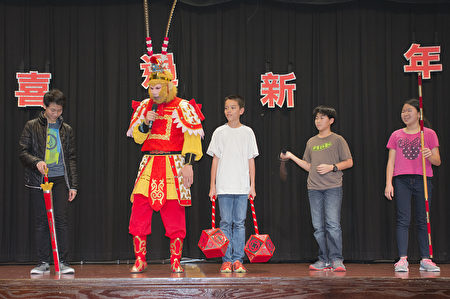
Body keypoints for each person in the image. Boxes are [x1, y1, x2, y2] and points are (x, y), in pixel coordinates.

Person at [126, 56, 204, 273]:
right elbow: (138, 139)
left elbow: (192, 137)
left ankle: (176, 260)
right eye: (151, 88)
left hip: (173, 162)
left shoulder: (183, 106)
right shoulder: (145, 107)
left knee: (174, 211)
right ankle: (140, 258)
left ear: (169, 86)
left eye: (158, 87)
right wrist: (146, 122)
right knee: (139, 208)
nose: (155, 92)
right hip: (149, 162)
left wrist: (188, 164)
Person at [280, 105, 353, 272]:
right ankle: (323, 259)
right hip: (313, 188)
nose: (318, 121)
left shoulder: (338, 140)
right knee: (318, 226)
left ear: (331, 120)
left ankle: (336, 259)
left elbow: (349, 162)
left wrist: (332, 167)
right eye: (316, 118)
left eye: (322, 118)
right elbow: (308, 166)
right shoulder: (311, 142)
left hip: (333, 187)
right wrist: (290, 156)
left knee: (332, 224)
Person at [19, 89, 78, 275]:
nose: (56, 114)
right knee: (42, 221)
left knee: (61, 220)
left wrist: (73, 185)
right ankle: (43, 261)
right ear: (44, 107)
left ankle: (62, 261)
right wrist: (36, 162)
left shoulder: (66, 129)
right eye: (52, 110)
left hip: (60, 179)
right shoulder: (31, 126)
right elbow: (22, 152)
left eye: (59, 110)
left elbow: (71, 158)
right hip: (39, 180)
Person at [384, 99, 441, 273]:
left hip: (423, 180)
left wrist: (429, 154)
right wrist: (388, 183)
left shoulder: (428, 133)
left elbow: (437, 161)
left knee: (424, 219)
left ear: (419, 113)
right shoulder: (396, 135)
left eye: (409, 110)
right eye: (403, 111)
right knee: (403, 219)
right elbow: (391, 161)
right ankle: (402, 259)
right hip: (401, 180)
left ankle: (426, 259)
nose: (405, 114)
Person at [207, 95, 259, 273]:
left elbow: (251, 160)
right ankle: (226, 260)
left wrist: (252, 186)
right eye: (226, 108)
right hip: (224, 187)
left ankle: (238, 260)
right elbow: (215, 160)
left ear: (241, 110)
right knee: (225, 222)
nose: (228, 111)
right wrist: (212, 186)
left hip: (242, 187)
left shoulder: (248, 132)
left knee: (239, 223)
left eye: (233, 107)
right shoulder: (219, 132)